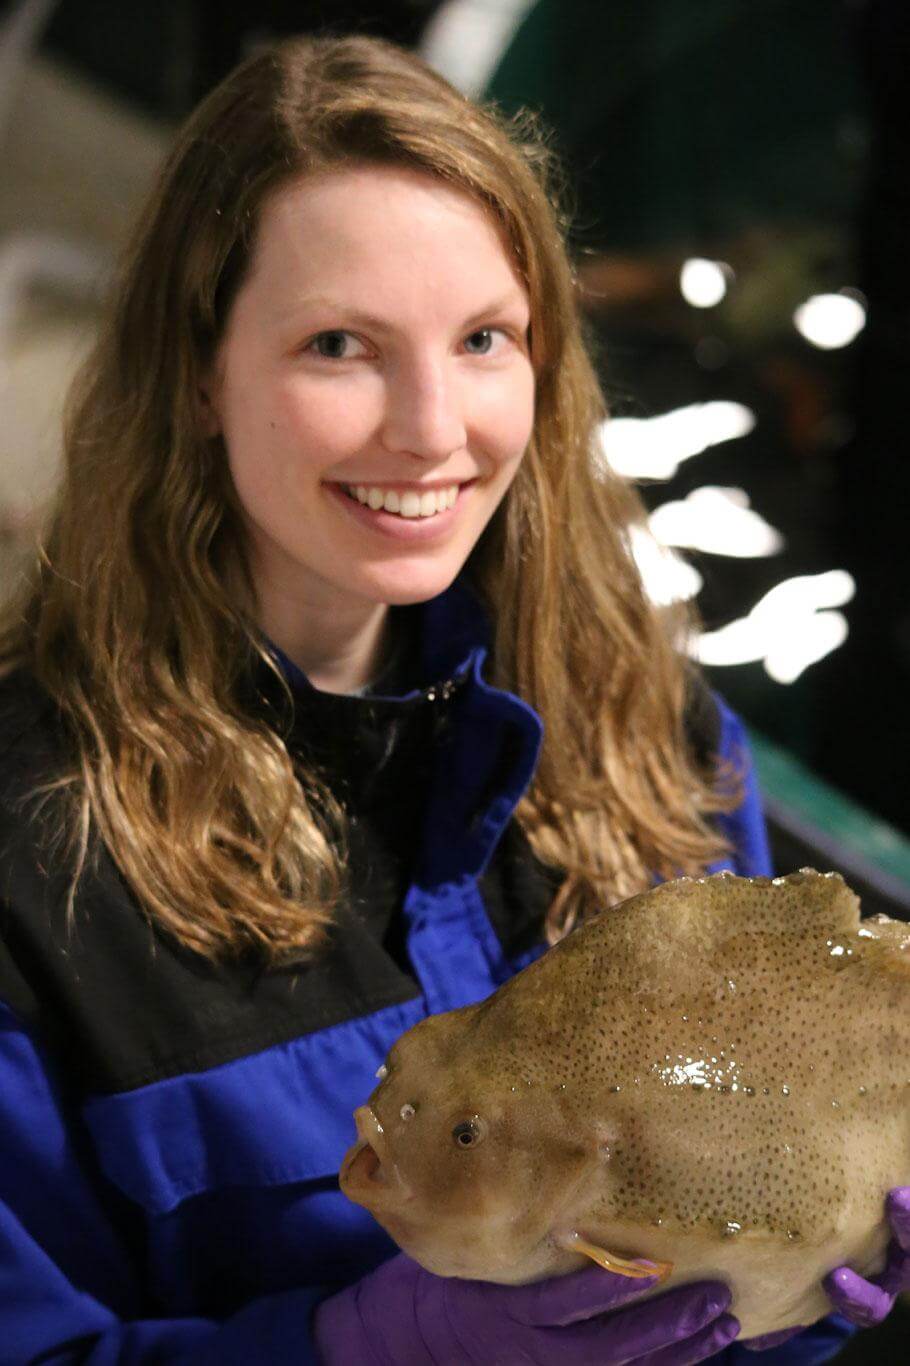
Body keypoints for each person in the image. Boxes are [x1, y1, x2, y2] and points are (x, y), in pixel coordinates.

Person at [0, 32, 906, 1366]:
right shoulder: (31, 871)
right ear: (198, 373)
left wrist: (810, 1286)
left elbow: (723, 1257)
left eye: (482, 338)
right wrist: (360, 1346)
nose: (431, 426)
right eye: (339, 346)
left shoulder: (647, 725)